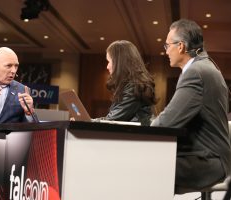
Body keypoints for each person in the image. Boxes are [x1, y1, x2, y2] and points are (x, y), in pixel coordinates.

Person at [151, 19, 231, 192]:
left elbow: (166, 123)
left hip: (209, 162)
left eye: (167, 46)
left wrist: (149, 129)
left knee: (143, 166)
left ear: (180, 46)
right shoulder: (206, 67)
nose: (166, 52)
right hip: (213, 158)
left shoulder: (196, 72)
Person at [96, 40, 156, 126]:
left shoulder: (135, 86)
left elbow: (112, 120)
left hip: (137, 138)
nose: (107, 66)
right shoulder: (132, 84)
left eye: (109, 61)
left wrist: (86, 121)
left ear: (119, 62)